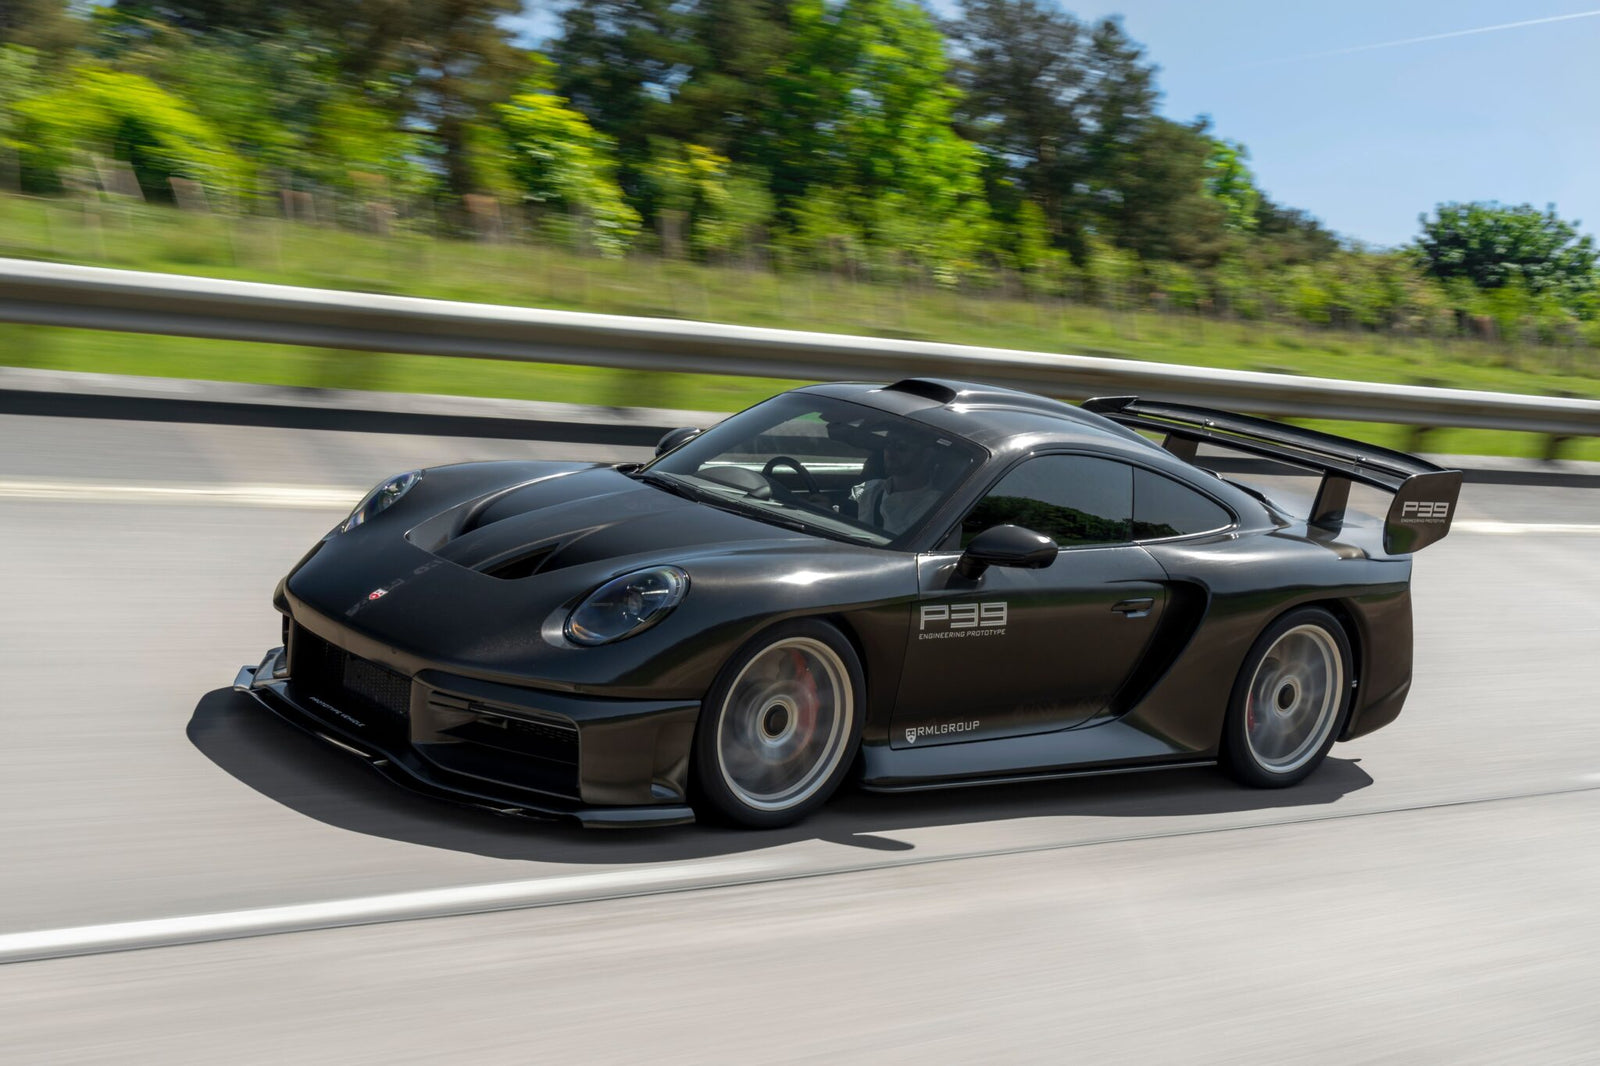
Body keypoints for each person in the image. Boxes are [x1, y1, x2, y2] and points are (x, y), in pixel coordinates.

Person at [852, 435, 943, 535]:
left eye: (901, 446)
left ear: (927, 455)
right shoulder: (869, 489)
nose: (890, 451)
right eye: (887, 444)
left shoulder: (937, 509)